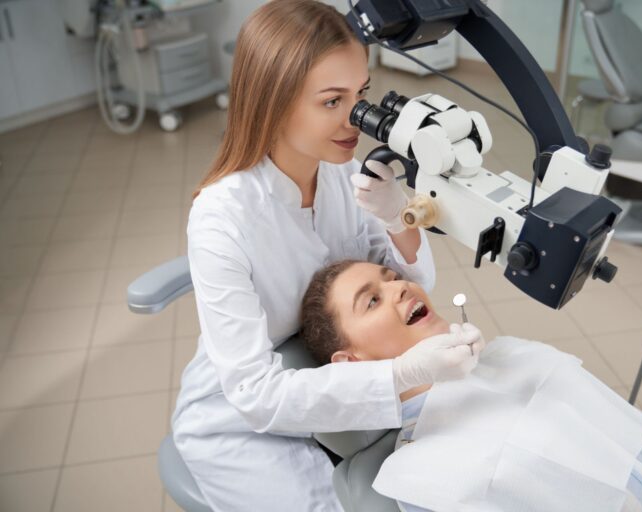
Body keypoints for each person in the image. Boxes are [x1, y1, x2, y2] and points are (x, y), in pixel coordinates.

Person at [171, 2, 483, 511]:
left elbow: (410, 276)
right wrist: (398, 376)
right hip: (245, 419)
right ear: (273, 102)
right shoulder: (222, 218)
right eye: (332, 101)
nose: (355, 119)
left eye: (360, 96)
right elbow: (255, 394)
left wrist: (395, 217)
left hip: (339, 379)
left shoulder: (340, 170)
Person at [300, 260, 642, 512]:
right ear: (352, 362)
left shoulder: (519, 356)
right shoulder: (420, 477)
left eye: (391, 276)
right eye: (372, 300)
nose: (399, 287)